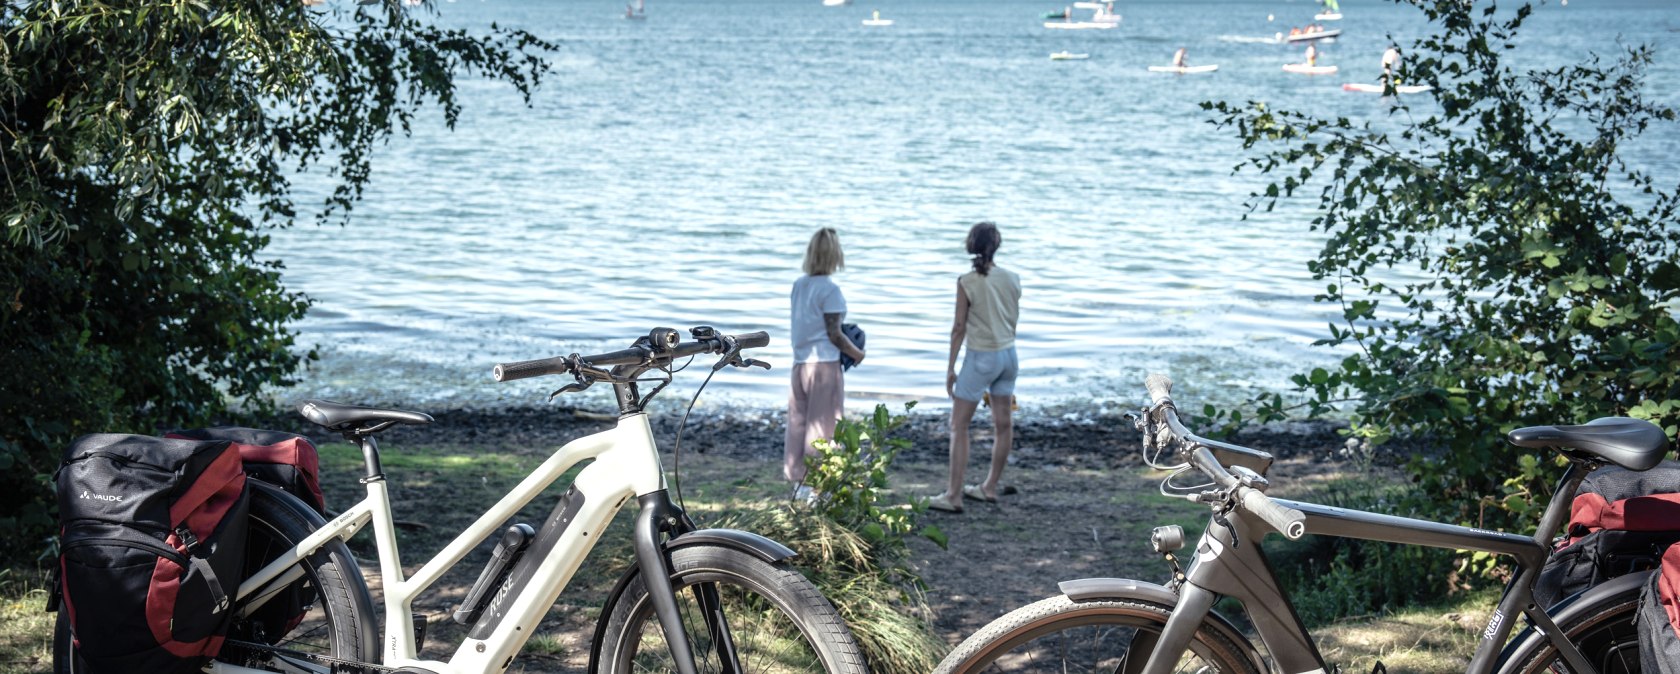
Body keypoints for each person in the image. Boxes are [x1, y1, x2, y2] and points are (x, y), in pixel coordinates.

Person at [929, 222, 1022, 513]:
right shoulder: (1013, 278)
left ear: (971, 245)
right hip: (1009, 356)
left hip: (981, 358)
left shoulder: (967, 281)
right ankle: (989, 487)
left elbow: (959, 328)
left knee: (959, 425)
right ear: (996, 245)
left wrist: (950, 368)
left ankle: (954, 495)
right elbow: (1012, 319)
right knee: (1003, 424)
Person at [785, 227, 865, 500]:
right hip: (824, 365)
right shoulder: (830, 290)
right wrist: (857, 353)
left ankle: (797, 482)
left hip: (800, 363)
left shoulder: (799, 285)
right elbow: (834, 333)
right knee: (824, 426)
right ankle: (817, 487)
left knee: (798, 422)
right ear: (835, 255)